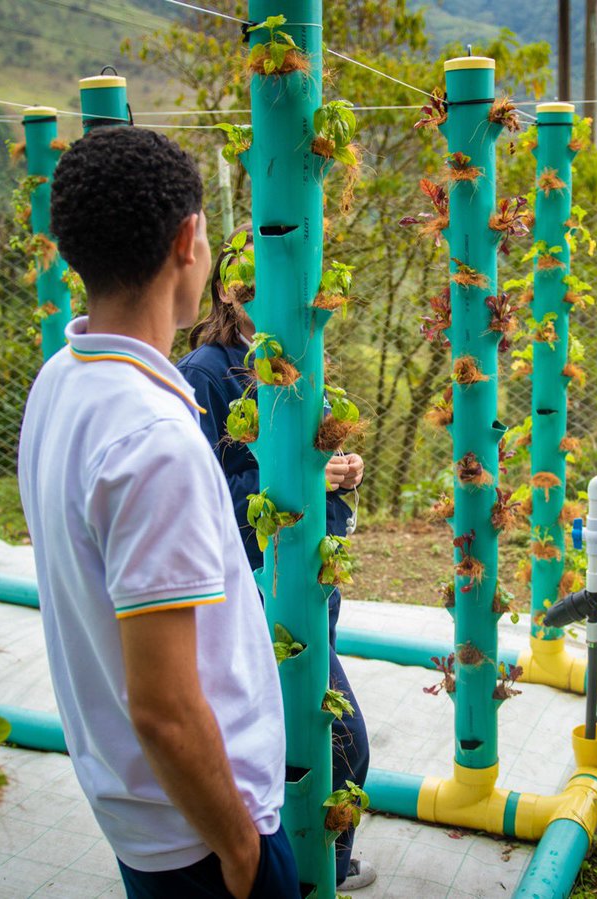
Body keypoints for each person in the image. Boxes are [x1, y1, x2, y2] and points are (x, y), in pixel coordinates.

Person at [17, 126, 297, 899]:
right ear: (186, 242)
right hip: (204, 838)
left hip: (145, 820)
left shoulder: (59, 383)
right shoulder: (153, 441)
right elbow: (165, 706)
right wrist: (241, 849)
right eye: (206, 235)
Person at [176, 239, 375, 892]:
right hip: (259, 590)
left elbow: (311, 469)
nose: (289, 303)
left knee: (322, 738)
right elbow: (206, 501)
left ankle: (322, 868)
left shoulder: (294, 362)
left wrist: (340, 472)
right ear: (232, 293)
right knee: (343, 744)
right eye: (264, 288)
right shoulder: (206, 371)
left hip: (309, 582)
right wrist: (299, 483)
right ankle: (314, 871)